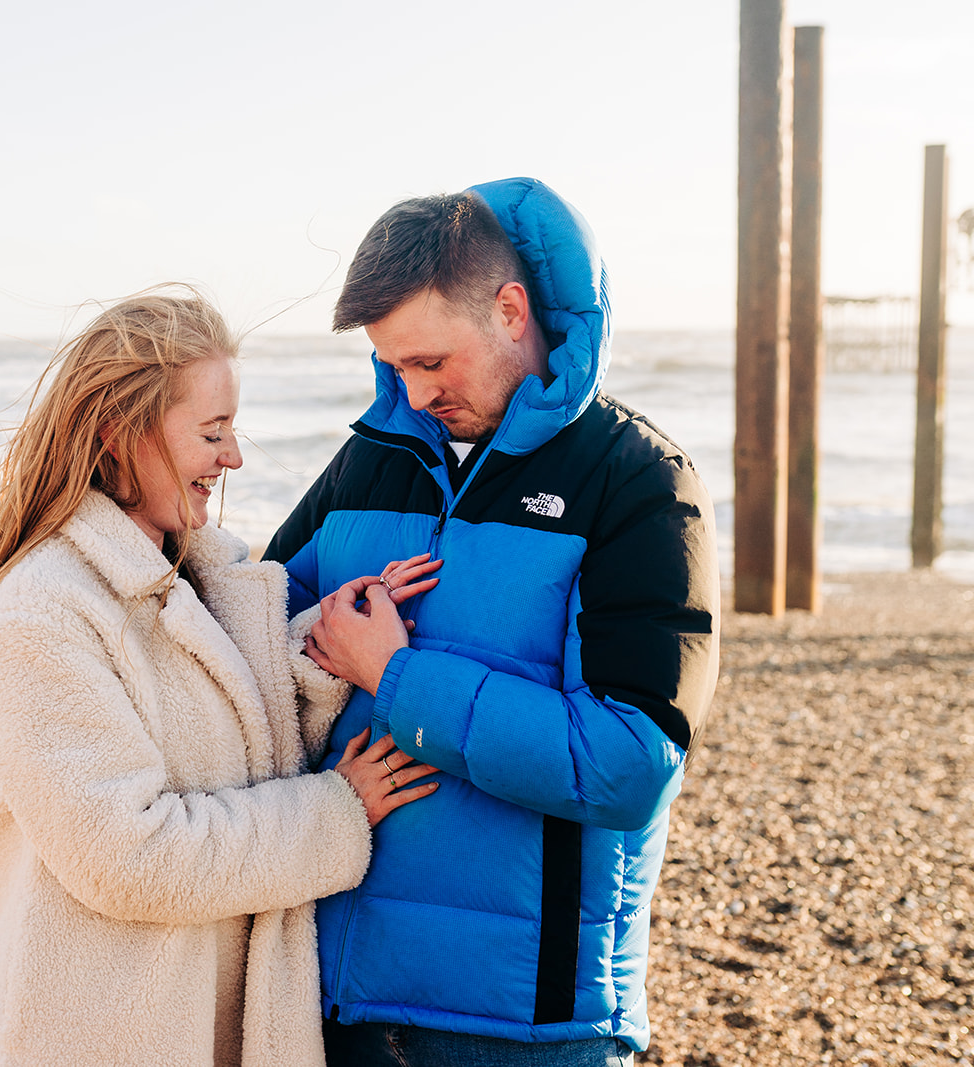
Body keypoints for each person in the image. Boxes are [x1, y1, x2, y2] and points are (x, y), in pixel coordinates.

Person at [264, 179, 720, 1066]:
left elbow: (628, 762)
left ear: (511, 310)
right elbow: (250, 630)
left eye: (431, 361)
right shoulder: (371, 461)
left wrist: (396, 678)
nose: (413, 389)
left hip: (526, 1028)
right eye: (393, 365)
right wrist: (325, 623)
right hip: (339, 1001)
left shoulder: (638, 482)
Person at [0, 289, 442, 1067]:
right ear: (118, 432)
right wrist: (333, 814)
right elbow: (130, 856)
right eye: (212, 432)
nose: (233, 457)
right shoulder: (43, 614)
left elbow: (223, 731)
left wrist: (323, 646)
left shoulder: (185, 580)